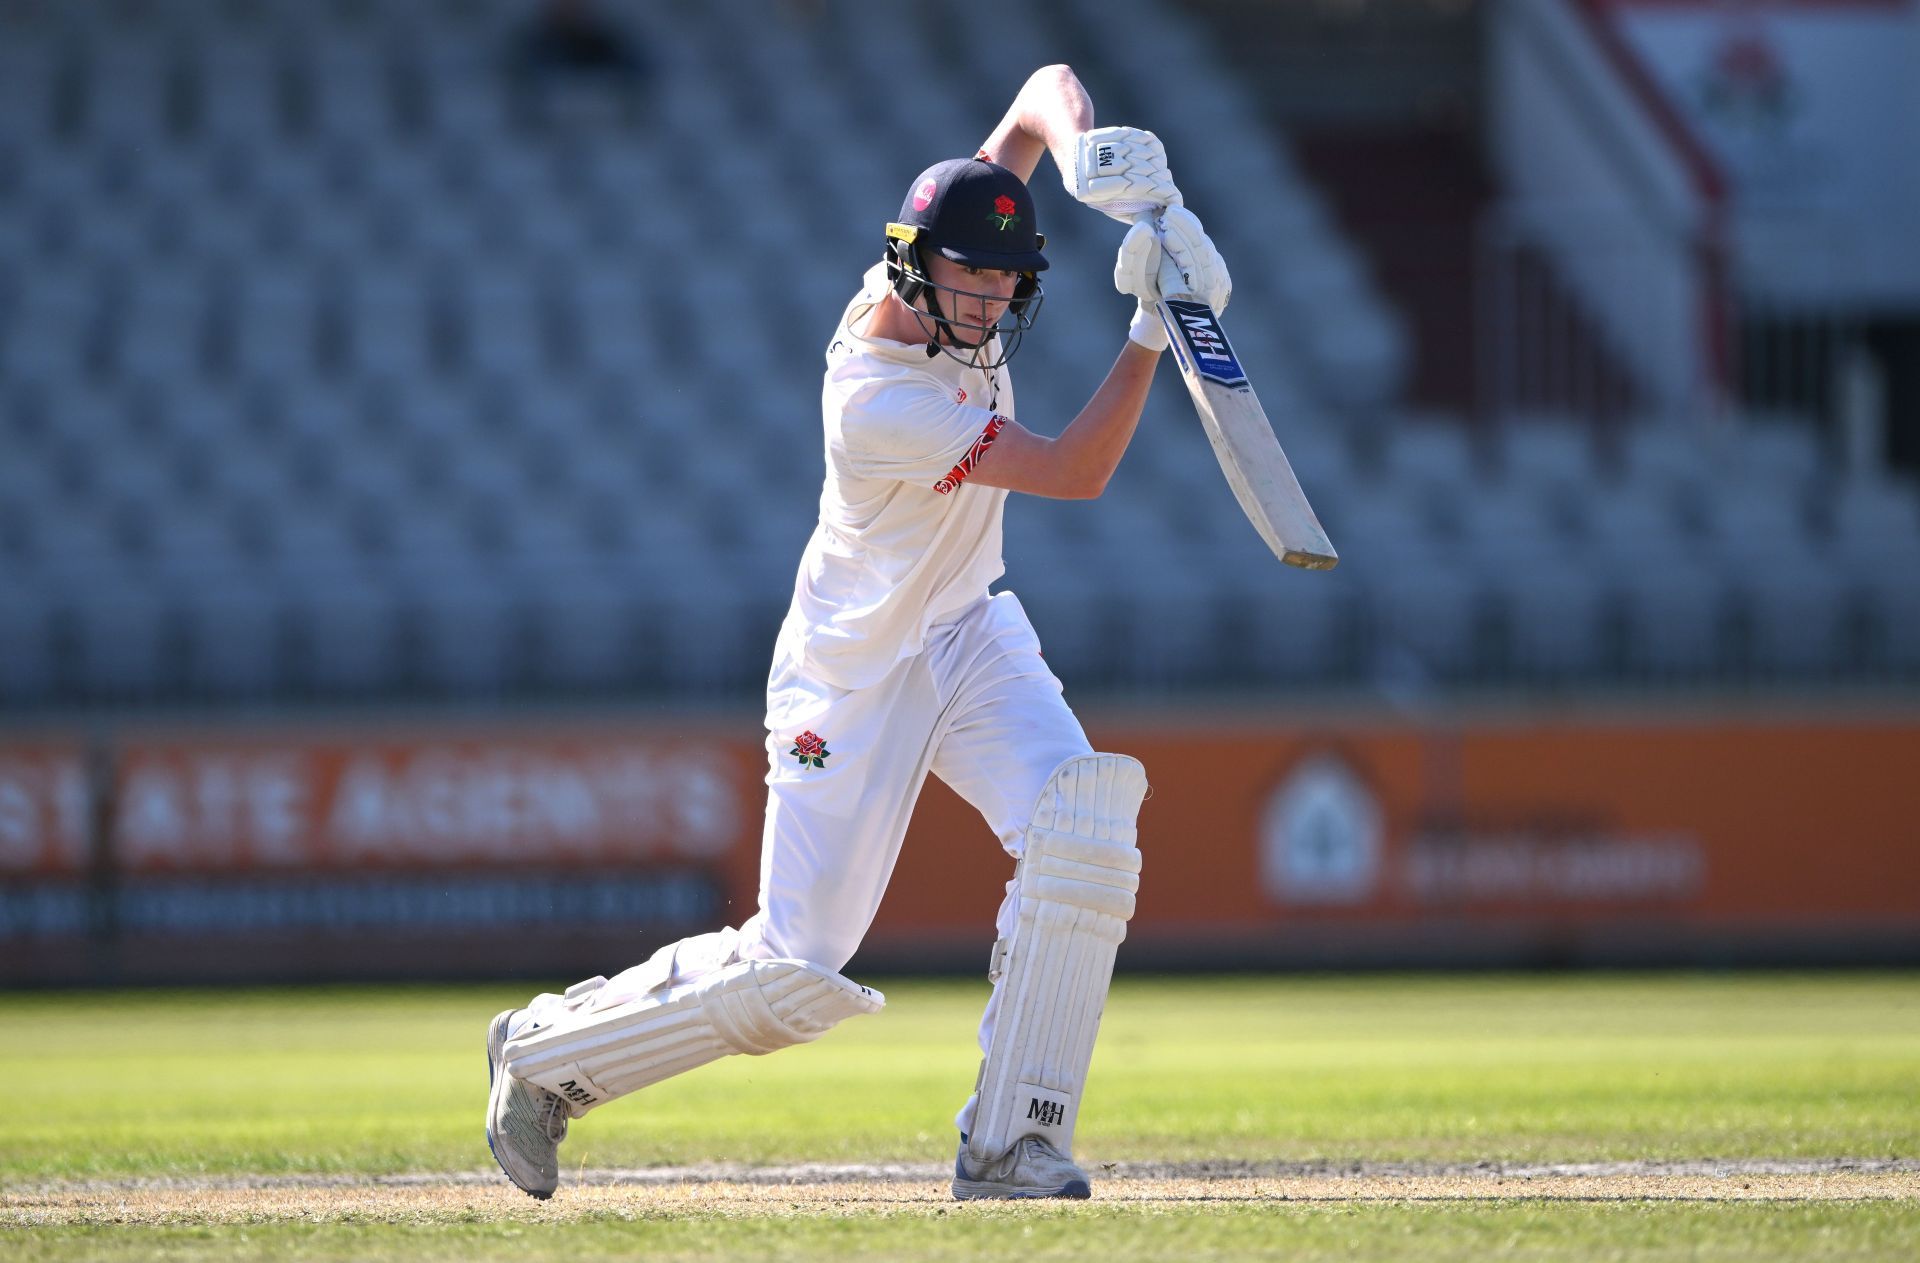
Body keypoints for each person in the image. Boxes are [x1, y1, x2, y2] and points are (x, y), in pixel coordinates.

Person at [484, 64, 1230, 1201]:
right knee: (797, 974)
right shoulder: (879, 399)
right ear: (912, 267)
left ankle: (1012, 1144)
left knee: (1083, 830)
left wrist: (1085, 164)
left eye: (1005, 284)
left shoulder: (955, 267)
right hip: (853, 674)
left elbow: (1040, 93)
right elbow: (1076, 472)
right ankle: (543, 1060)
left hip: (969, 629)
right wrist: (1150, 329)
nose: (985, 306)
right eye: (966, 282)